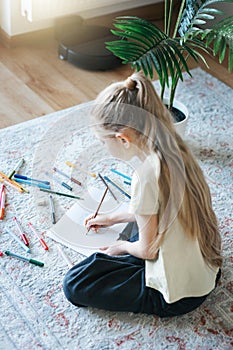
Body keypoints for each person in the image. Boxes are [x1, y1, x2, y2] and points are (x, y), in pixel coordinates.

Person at [63, 72, 222, 317]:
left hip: (176, 295)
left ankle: (128, 256)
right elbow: (160, 209)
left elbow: (148, 252)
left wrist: (121, 247)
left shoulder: (146, 176)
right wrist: (112, 218)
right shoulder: (176, 147)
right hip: (204, 269)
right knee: (133, 229)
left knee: (75, 283)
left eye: (104, 143)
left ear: (123, 139)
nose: (104, 149)